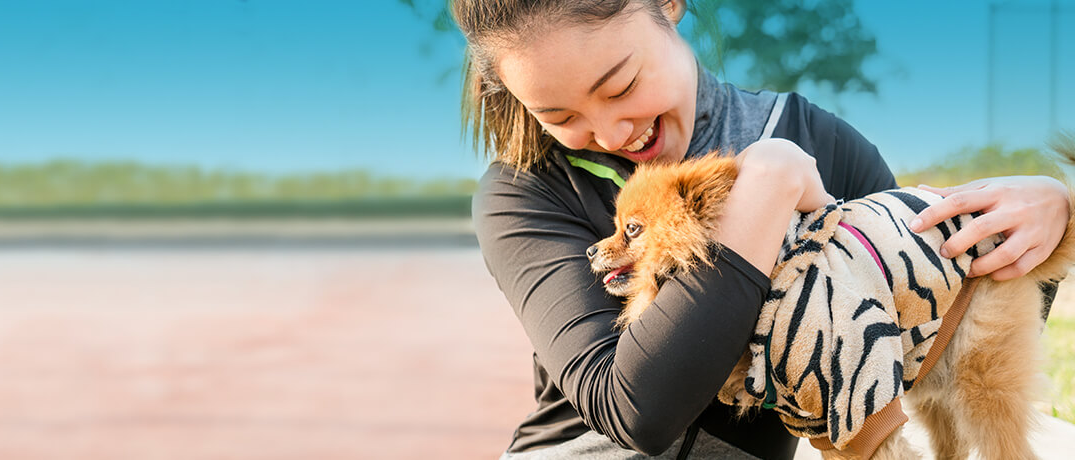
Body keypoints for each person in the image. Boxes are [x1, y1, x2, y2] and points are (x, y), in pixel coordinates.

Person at [451, 0, 1072, 458]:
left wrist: (1049, 220)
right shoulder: (524, 191)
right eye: (559, 116)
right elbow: (637, 410)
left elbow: (935, 328)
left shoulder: (815, 135)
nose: (613, 134)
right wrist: (766, 189)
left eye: (622, 86)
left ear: (669, 6)